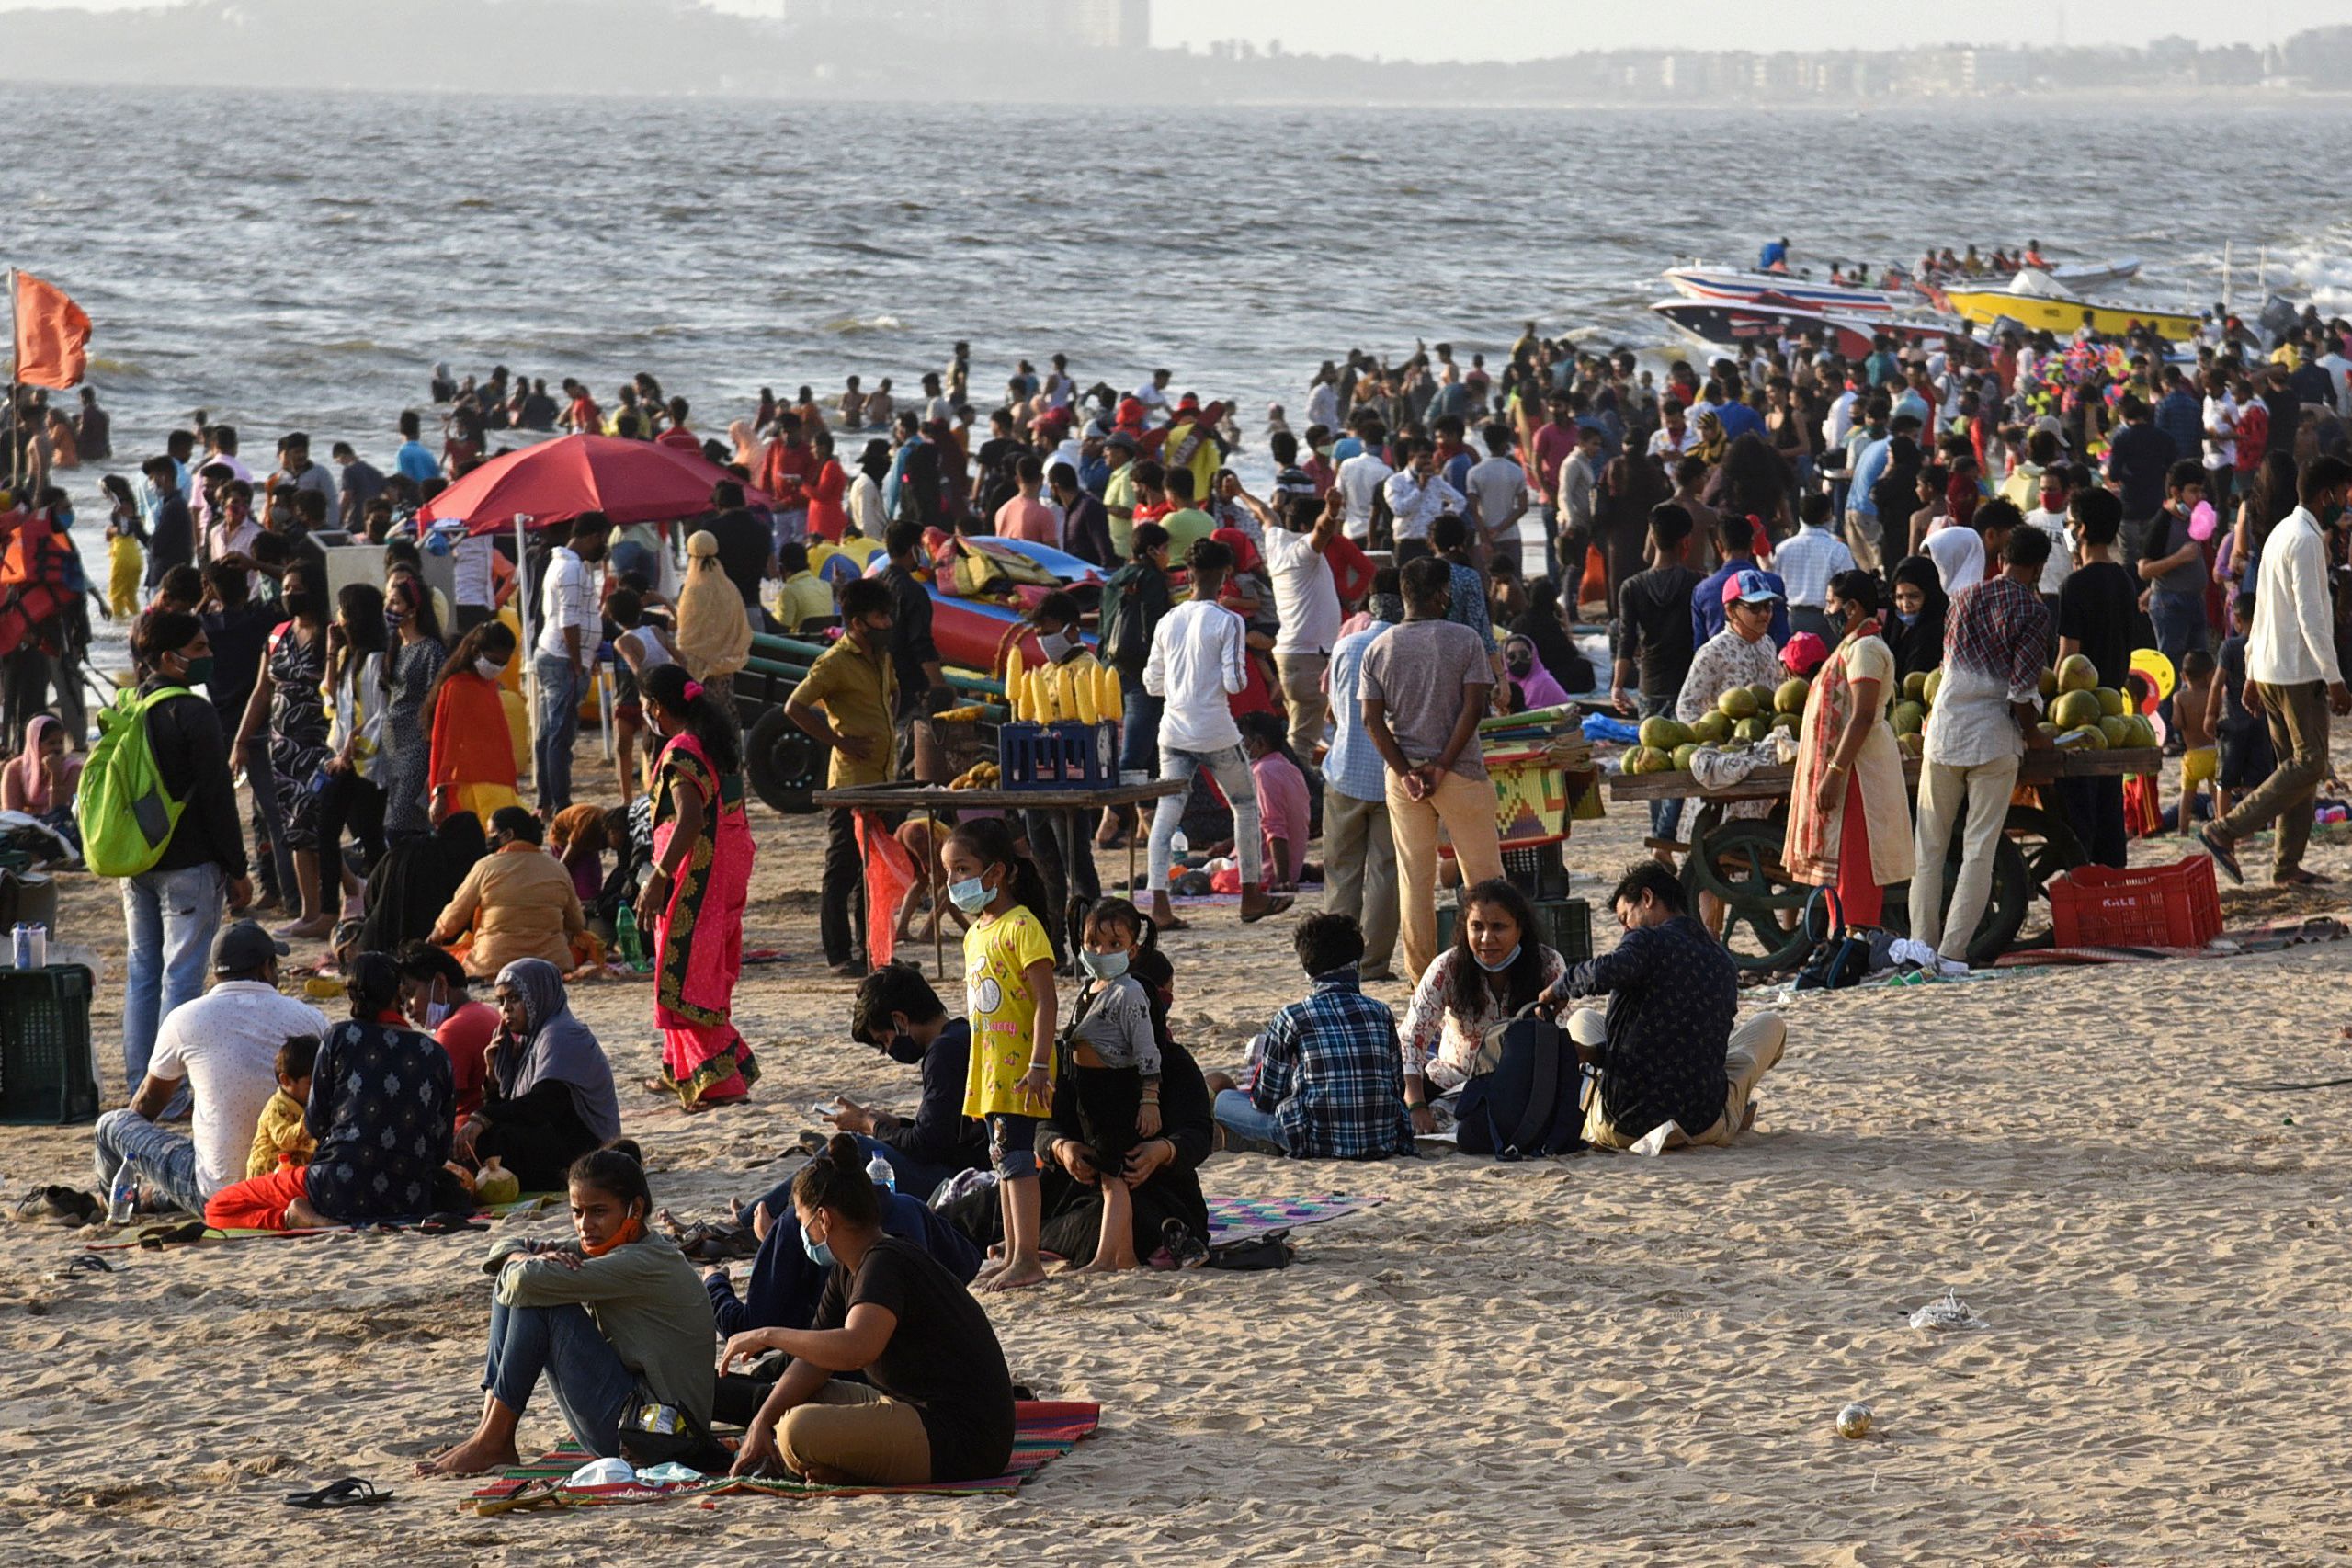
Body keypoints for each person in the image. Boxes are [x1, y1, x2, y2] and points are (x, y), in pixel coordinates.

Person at [722, 1134, 1016, 1486]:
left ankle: (840, 1466)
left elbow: (856, 1348)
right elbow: (815, 1362)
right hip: (911, 1409)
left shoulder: (884, 1263)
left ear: (824, 1219)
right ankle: (840, 1467)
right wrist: (761, 1421)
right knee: (790, 1400)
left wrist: (768, 1335)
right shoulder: (849, 1268)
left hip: (961, 1437)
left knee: (796, 1431)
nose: (802, 1233)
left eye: (802, 1221)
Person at [418, 1148, 713, 1478]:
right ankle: (488, 1432)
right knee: (524, 1278)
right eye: (577, 1212)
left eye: (599, 1212)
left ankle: (493, 1439)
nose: (585, 1225)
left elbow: (525, 1283)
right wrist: (521, 1258)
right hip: (633, 1421)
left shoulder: (641, 1261)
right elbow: (505, 1249)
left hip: (659, 1435)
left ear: (636, 1209)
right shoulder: (613, 1245)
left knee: (539, 1298)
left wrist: (524, 1264)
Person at [1542, 860, 1787, 1150]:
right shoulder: (1722, 960)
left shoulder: (1646, 942)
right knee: (1771, 1024)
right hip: (1702, 1124)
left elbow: (1607, 971)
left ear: (1647, 898)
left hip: (1625, 1125)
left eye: (1625, 918)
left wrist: (1560, 986)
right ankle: (1732, 1110)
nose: (1625, 931)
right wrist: (1593, 1053)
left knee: (1583, 1018)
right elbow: (1676, 1045)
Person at [202, 953, 453, 1230]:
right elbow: (441, 1148)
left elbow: (316, 1124)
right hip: (411, 1196)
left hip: (337, 1188)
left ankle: (291, 1217)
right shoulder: (435, 1053)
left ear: (351, 994)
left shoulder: (339, 1038)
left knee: (219, 1207)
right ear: (399, 994)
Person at [93, 921, 326, 1217]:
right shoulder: (310, 1018)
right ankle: (155, 1198)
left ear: (215, 973)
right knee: (199, 1153)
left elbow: (147, 1105)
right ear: (266, 968)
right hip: (291, 1184)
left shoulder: (185, 1018)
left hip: (217, 1194)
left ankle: (117, 1205)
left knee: (112, 1124)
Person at [113, 610, 253, 1086]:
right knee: (181, 978)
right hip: (189, 866)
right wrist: (237, 867)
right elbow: (217, 796)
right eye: (199, 648)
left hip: (139, 860)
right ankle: (170, 1092)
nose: (209, 655)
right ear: (170, 659)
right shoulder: (193, 712)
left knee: (143, 974)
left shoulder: (132, 705)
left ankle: (141, 1083)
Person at [2200, 455, 2352, 887]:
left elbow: (2263, 609)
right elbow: (2311, 617)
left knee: (2295, 769)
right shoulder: (2304, 540)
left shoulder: (2283, 533)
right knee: (2310, 763)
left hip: (2272, 668)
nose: (2346, 503)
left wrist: (2251, 671)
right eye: (2343, 494)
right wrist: (2335, 679)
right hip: (2295, 672)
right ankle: (2225, 829)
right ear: (2326, 495)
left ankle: (2287, 866)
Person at [1910, 528, 2054, 967]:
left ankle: (1921, 948)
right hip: (1993, 739)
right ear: (2038, 567)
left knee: (1929, 849)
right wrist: (2034, 735)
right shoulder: (2033, 609)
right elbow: (2021, 691)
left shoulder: (1963, 597)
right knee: (1979, 851)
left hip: (1945, 732)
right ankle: (1952, 954)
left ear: (2002, 558)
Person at [1362, 555, 1503, 982]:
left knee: (1415, 883)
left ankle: (1421, 980)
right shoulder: (1464, 639)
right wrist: (1442, 765)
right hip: (1461, 771)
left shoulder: (1379, 647)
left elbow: (1372, 721)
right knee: (1484, 880)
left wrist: (1406, 771)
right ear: (1443, 595)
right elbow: (1473, 707)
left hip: (1404, 778)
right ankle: (1493, 968)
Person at [1142, 536, 1290, 929]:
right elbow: (1236, 682)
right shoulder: (1229, 621)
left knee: (1167, 814)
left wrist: (1182, 684)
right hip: (1216, 730)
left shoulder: (1168, 621)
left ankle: (1159, 906)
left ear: (1189, 575)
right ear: (1225, 576)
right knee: (1245, 806)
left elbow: (1152, 682)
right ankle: (1251, 895)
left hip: (1173, 730)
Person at [943, 817, 1059, 1291]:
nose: (953, 881)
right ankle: (1013, 1253)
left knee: (1017, 1161)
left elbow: (1046, 1000)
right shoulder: (975, 933)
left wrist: (1038, 1063)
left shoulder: (1023, 927)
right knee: (1002, 1160)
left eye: (962, 869)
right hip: (991, 1070)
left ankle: (1027, 1258)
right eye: (948, 872)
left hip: (1023, 1068)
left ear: (996, 872)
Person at [637, 665, 758, 1109]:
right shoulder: (712, 742)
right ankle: (679, 1069)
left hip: (693, 878)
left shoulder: (682, 751)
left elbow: (689, 819)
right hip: (722, 872)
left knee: (687, 978)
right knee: (699, 970)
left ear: (656, 708)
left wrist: (659, 877)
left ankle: (721, 1082)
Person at [1213, 913, 1414, 1160]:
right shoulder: (1380, 1012)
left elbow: (1266, 1099)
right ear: (1357, 963)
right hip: (1382, 1139)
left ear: (1308, 969)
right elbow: (1397, 1086)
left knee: (1224, 1101)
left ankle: (1254, 1141)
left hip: (1313, 1142)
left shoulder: (1291, 1017)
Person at [1784, 570, 1914, 926]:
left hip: (1859, 768)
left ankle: (1854, 939)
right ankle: (1841, 937)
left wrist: (1835, 771)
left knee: (1855, 865)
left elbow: (1862, 716)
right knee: (1842, 865)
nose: (1827, 611)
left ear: (1852, 607)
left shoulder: (1866, 649)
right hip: (1854, 763)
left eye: (1831, 603)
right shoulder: (1853, 646)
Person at [787, 575, 897, 977]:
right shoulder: (833, 662)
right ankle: (838, 955)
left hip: (885, 779)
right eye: (880, 617)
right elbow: (794, 707)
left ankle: (876, 953)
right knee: (843, 871)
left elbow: (893, 692)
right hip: (851, 782)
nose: (888, 623)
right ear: (857, 623)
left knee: (877, 873)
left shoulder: (882, 656)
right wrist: (838, 741)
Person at [1398, 879, 1567, 1133]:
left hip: (1523, 1085)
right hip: (1453, 1082)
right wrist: (1417, 1106)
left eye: (1499, 927)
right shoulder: (1447, 967)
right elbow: (1411, 1039)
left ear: (1520, 928)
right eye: (1477, 927)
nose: (1487, 939)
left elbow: (1557, 1039)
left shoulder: (1548, 964)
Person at [1052, 899, 1164, 1273]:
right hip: (1091, 1094)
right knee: (1108, 1176)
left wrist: (1149, 1099)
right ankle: (1125, 1255)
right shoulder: (1090, 988)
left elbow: (1147, 1049)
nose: (1102, 952)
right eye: (1093, 943)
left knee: (1113, 1179)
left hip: (1116, 1091)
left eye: (1115, 944)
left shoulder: (1129, 992)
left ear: (1132, 950)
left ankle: (1103, 1259)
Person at [452, 957, 624, 1192]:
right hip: (552, 1134)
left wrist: (482, 1117)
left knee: (495, 1138)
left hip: (585, 1146)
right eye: (501, 1001)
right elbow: (513, 1107)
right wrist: (492, 1076)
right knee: (487, 1136)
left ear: (538, 995)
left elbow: (544, 1104)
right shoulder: (528, 1041)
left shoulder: (561, 1033)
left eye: (514, 998)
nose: (506, 1009)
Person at [831, 963, 990, 1199]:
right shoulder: (963, 1033)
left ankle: (772, 1213)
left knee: (854, 1148)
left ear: (900, 1020)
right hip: (970, 1163)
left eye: (885, 1039)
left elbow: (924, 1146)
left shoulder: (943, 1053)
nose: (888, 1050)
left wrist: (871, 1126)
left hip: (962, 1176)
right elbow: (943, 1132)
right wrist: (895, 1124)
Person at [233, 563, 333, 937]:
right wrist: (241, 741)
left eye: (296, 587)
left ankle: (346, 894)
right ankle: (310, 913)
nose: (289, 594)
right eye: (286, 588)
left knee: (315, 822)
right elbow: (262, 692)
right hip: (283, 748)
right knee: (295, 827)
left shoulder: (329, 634)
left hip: (321, 745)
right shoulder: (277, 635)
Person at [1321, 581, 1401, 981]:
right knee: (1386, 873)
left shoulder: (1347, 646)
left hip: (1345, 769)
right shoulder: (1403, 648)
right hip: (1393, 772)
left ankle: (1336, 961)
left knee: (1341, 872)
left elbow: (1334, 708)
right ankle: (1373, 964)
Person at [2055, 488, 2136, 868]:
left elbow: (2068, 661)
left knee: (2077, 808)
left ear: (2083, 529)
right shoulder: (2124, 580)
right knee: (2108, 803)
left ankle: (2083, 875)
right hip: (2113, 708)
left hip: (2080, 711)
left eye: (2071, 523)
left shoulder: (2075, 585)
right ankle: (2113, 878)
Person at [430, 805, 587, 979]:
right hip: (552, 963)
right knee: (588, 945)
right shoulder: (558, 868)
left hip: (492, 963)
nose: (489, 839)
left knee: (451, 956)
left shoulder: (486, 866)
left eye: (491, 833)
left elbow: (454, 917)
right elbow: (577, 924)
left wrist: (433, 939)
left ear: (508, 835)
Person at [1254, 487, 1344, 762]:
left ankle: (1283, 780)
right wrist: (1331, 512)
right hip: (1307, 659)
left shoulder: (1276, 542)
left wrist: (1240, 491)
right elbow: (1323, 529)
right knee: (1302, 745)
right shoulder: (1303, 552)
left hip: (1290, 656)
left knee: (1297, 734)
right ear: (1305, 527)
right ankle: (1290, 786)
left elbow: (1266, 513)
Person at [532, 517, 605, 814]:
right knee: (560, 735)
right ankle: (559, 801)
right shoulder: (571, 568)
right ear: (592, 537)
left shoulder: (563, 564)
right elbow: (569, 620)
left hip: (558, 654)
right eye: (602, 539)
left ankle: (546, 799)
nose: (603, 547)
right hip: (563, 658)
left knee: (550, 732)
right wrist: (577, 661)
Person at [2139, 460, 2216, 732]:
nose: (2199, 497)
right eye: (2193, 491)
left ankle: (2193, 726)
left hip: (2194, 600)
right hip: (2170, 603)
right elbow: (2144, 568)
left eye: (2201, 491)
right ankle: (2167, 729)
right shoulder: (2162, 522)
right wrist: (2179, 558)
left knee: (2199, 666)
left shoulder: (2196, 519)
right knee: (2170, 668)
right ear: (2176, 492)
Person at [393, 937, 498, 1121]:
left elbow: (429, 1103)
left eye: (410, 994)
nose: (407, 1007)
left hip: (466, 1130)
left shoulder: (453, 1031)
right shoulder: (486, 1011)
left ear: (440, 983)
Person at [379, 571, 447, 840]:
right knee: (400, 825)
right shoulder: (395, 646)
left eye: (396, 602)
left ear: (413, 609)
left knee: (401, 825)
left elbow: (436, 702)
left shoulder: (430, 650)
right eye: (388, 601)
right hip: (392, 746)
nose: (389, 608)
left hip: (418, 745)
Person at [1240, 711, 1312, 893]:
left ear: (1260, 743)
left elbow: (1274, 827)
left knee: (1189, 871)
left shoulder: (1262, 772)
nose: (1240, 747)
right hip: (1288, 867)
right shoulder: (1290, 768)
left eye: (1243, 741)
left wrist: (1282, 880)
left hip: (1266, 874)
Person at [1775, 492, 1855, 642]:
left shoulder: (1783, 549)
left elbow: (1776, 585)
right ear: (1828, 515)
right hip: (1828, 624)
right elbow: (1849, 589)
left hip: (1792, 620)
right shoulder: (1838, 550)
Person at [244, 1033, 321, 1178]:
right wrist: (310, 1119)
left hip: (292, 1174)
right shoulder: (277, 1107)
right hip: (266, 1176)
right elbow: (284, 1139)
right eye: (310, 1083)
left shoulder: (304, 1102)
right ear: (286, 1080)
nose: (317, 1090)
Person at [3, 712, 80, 835]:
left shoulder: (72, 769)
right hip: (24, 831)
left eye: (60, 742)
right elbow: (12, 815)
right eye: (51, 743)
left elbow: (60, 813)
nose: (57, 748)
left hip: (62, 831)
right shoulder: (15, 768)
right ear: (35, 745)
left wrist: (56, 775)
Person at [2176, 648, 2221, 834]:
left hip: (2193, 755)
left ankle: (2183, 830)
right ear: (2210, 675)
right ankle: (2219, 823)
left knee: (2187, 796)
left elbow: (2177, 723)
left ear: (2183, 676)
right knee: (2216, 793)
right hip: (2213, 752)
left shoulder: (2180, 698)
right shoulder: (2213, 695)